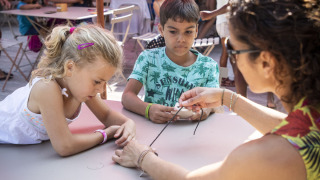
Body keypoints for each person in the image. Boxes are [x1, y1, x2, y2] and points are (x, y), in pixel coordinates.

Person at [113, 0, 320, 179]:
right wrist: (225, 97)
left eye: (233, 48)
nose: (232, 58)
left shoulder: (264, 155)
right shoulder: (311, 118)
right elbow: (286, 126)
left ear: (265, 62)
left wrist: (142, 157)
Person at [0, 24, 136, 157]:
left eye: (104, 82)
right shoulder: (47, 88)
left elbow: (106, 115)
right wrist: (105, 134)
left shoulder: (80, 86)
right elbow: (64, 146)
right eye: (97, 81)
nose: (100, 90)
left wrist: (128, 123)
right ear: (70, 67)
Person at [121, 0, 220, 124]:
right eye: (173, 31)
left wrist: (204, 111)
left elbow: (214, 103)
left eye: (188, 32)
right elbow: (127, 96)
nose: (181, 39)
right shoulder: (148, 58)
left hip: (192, 134)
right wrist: (148, 109)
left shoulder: (208, 67)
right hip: (153, 130)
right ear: (161, 30)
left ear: (196, 31)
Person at [200, 0, 235, 87]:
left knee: (227, 51)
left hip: (222, 21)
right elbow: (230, 5)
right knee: (227, 51)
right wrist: (211, 14)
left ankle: (224, 78)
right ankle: (224, 78)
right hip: (225, 21)